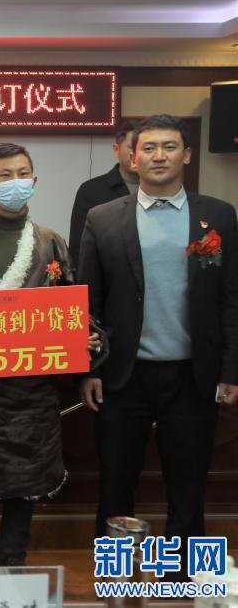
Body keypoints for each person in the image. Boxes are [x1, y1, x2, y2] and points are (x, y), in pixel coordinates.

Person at [78, 114, 237, 575]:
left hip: (193, 374)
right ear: (132, 157)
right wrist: (88, 369)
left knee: (187, 484)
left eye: (169, 147)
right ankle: (117, 573)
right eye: (148, 148)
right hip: (123, 376)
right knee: (116, 483)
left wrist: (231, 370)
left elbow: (231, 298)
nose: (159, 156)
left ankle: (183, 577)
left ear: (186, 155)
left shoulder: (218, 215)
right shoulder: (103, 218)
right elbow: (88, 302)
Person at [0, 143, 102, 569]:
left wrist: (83, 336)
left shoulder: (51, 241)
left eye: (22, 174)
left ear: (34, 180)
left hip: (32, 388)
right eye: (5, 175)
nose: (15, 182)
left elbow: (71, 305)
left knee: (25, 484)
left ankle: (14, 569)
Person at [67, 120, 137, 273]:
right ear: (116, 150)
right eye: (132, 147)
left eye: (145, 148)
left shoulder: (160, 191)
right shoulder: (91, 191)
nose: (139, 154)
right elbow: (78, 250)